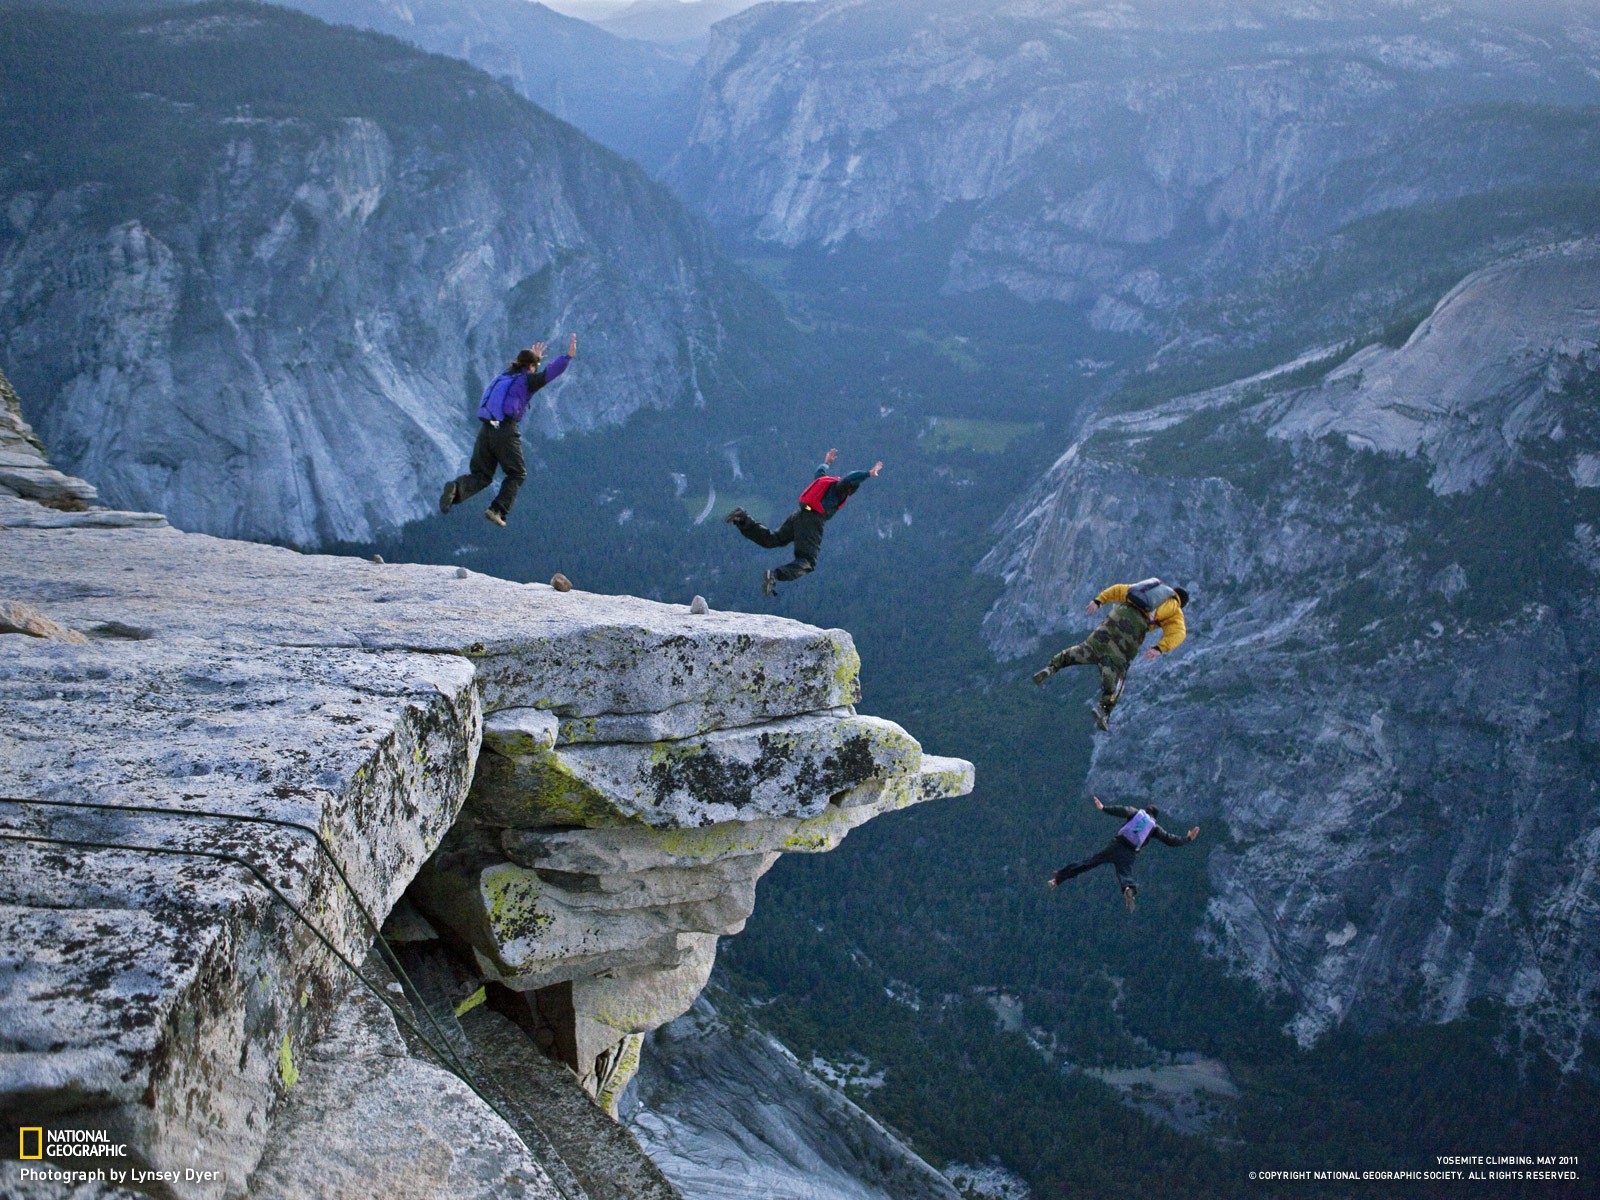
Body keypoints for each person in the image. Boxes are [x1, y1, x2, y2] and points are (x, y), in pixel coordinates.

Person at [440, 335, 577, 527]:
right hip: (505, 429)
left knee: (482, 475)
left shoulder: (504, 376)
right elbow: (551, 373)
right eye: (535, 366)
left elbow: (523, 368)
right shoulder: (528, 381)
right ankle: (497, 510)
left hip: (486, 429)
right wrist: (567, 357)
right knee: (517, 473)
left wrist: (534, 358)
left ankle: (456, 488)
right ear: (531, 367)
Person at [1031, 578, 1189, 730]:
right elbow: (1179, 633)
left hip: (1117, 615)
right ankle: (1104, 709)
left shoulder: (1147, 590)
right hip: (1133, 629)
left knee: (1087, 648)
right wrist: (1159, 648)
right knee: (1119, 672)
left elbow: (1118, 589)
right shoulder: (1175, 609)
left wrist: (1099, 601)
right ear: (1181, 603)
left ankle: (1052, 667)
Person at [725, 448, 882, 596]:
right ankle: (774, 575)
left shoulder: (825, 482)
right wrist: (868, 473)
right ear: (851, 490)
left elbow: (819, 471)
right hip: (812, 521)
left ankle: (742, 518)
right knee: (807, 561)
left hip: (800, 514)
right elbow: (849, 478)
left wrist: (826, 462)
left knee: (773, 539)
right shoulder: (840, 489)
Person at [1047, 796, 1199, 912]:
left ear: (1146, 810)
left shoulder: (1136, 813)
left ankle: (1057, 879)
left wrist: (1104, 808)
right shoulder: (1154, 828)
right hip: (1129, 853)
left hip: (1117, 845)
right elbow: (1170, 839)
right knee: (1125, 875)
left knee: (1089, 863)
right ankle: (1128, 889)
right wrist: (1187, 839)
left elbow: (1121, 810)